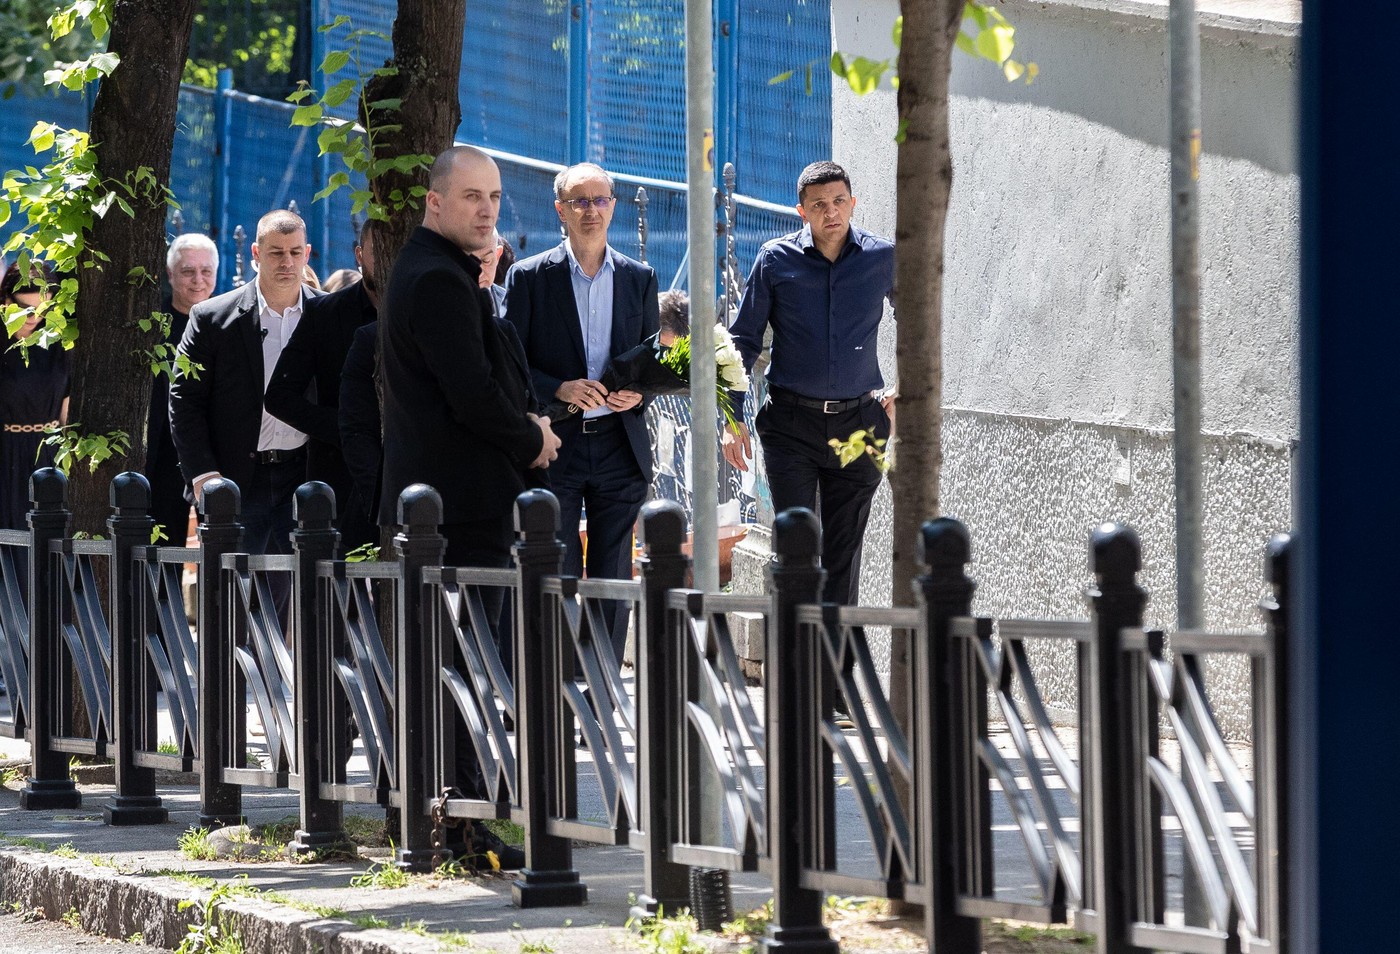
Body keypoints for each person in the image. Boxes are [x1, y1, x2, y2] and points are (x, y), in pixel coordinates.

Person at [379, 145, 557, 867]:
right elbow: (478, 394)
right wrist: (533, 440)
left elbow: (494, 368)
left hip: (452, 512)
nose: (487, 210)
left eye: (494, 197)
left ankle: (446, 821)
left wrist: (486, 291)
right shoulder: (435, 281)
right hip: (457, 516)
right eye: (472, 197)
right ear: (435, 202)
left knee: (458, 671)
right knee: (462, 672)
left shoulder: (450, 276)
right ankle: (455, 825)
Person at [504, 162, 659, 665]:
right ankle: (559, 679)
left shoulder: (640, 278)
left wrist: (639, 394)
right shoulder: (529, 277)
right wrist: (559, 389)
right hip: (557, 441)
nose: (590, 211)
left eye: (599, 200)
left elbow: (651, 359)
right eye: (579, 202)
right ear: (561, 211)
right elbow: (511, 362)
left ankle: (604, 684)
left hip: (620, 441)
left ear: (613, 206)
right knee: (557, 566)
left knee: (614, 572)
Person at [726, 161, 895, 606]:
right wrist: (731, 417)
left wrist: (906, 392)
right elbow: (742, 341)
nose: (831, 212)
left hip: (860, 423)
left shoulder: (882, 257)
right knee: (796, 549)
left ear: (853, 203)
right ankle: (796, 665)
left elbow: (919, 322)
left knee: (843, 555)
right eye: (819, 205)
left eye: (839, 201)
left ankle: (836, 670)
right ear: (802, 211)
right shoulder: (775, 260)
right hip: (791, 426)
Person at [169, 209, 321, 558]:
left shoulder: (327, 313)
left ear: (307, 254)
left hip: (304, 477)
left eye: (295, 253)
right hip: (233, 480)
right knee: (228, 595)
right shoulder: (212, 318)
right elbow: (184, 400)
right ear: (255, 253)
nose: (287, 262)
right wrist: (205, 475)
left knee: (311, 595)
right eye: (276, 252)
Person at [265, 221, 381, 552]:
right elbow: (279, 397)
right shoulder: (325, 313)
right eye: (377, 252)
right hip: (340, 482)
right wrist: (344, 428)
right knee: (338, 595)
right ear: (359, 255)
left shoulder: (423, 312)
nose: (388, 261)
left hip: (407, 477)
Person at [148, 233, 217, 545]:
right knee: (164, 555)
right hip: (163, 459)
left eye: (206, 271)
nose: (198, 281)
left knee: (220, 552)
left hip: (215, 457)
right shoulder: (152, 326)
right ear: (170, 274)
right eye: (188, 271)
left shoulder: (227, 322)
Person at [0, 262, 68, 531]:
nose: (34, 317)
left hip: (51, 451)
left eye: (42, 308)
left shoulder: (58, 339)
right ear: (5, 300)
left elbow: (66, 410)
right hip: (6, 452)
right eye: (25, 309)